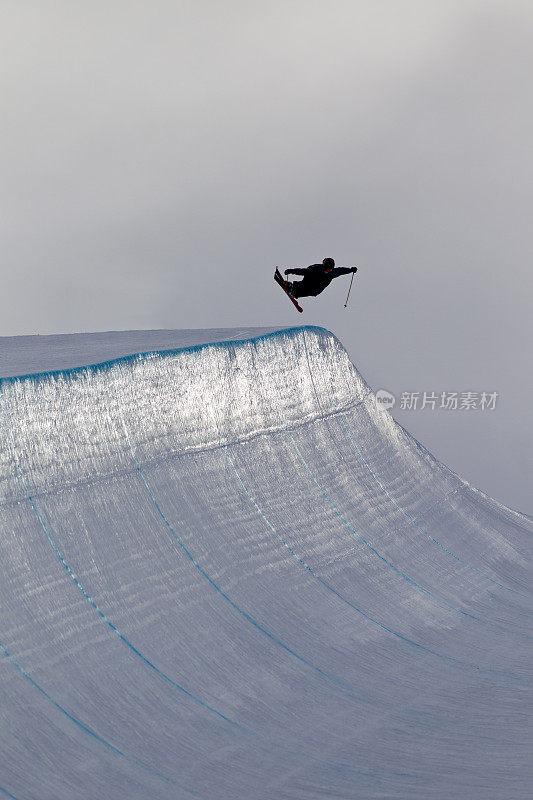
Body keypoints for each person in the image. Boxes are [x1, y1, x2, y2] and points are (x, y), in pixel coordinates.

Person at [282, 258, 357, 299]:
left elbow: (341, 270)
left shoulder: (333, 272)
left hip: (318, 287)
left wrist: (350, 270)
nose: (328, 271)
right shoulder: (316, 269)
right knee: (306, 285)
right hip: (310, 279)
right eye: (326, 269)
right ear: (324, 266)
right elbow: (303, 271)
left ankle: (295, 292)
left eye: (330, 269)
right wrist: (291, 271)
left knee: (314, 292)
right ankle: (292, 286)